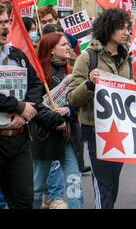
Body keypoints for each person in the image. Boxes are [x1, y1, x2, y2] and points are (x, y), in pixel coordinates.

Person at [67, 8, 132, 209]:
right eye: (122, 28)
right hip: (96, 129)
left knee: (113, 182)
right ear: (108, 29)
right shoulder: (87, 57)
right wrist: (90, 83)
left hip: (119, 128)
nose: (126, 32)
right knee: (103, 184)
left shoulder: (126, 56)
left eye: (128, 27)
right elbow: (72, 97)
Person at [31, 32, 85, 208]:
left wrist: (68, 111)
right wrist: (56, 119)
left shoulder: (73, 70)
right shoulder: (38, 74)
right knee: (37, 187)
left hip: (67, 138)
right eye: (63, 45)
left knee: (74, 182)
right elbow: (34, 107)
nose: (68, 47)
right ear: (51, 51)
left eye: (68, 44)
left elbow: (81, 103)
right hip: (44, 139)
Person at [0, 2, 41, 209]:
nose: (5, 27)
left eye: (7, 21)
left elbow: (36, 84)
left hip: (18, 141)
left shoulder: (17, 55)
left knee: (24, 201)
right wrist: (17, 105)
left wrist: (24, 113)